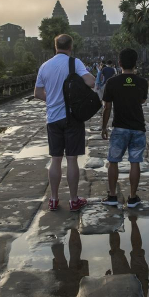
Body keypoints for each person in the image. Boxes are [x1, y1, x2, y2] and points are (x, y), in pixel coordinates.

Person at [34, 34, 95, 212]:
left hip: (52, 119)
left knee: (55, 159)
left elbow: (37, 93)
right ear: (70, 47)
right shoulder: (74, 63)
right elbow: (91, 82)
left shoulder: (44, 66)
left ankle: (53, 199)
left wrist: (52, 100)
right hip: (71, 118)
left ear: (55, 47)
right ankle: (74, 200)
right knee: (72, 159)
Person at [100, 48, 148, 209]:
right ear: (136, 63)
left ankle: (112, 195)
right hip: (138, 127)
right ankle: (133, 198)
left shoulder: (112, 82)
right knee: (135, 162)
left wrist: (103, 127)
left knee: (113, 161)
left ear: (119, 63)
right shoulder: (142, 82)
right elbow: (142, 101)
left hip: (119, 128)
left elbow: (107, 107)